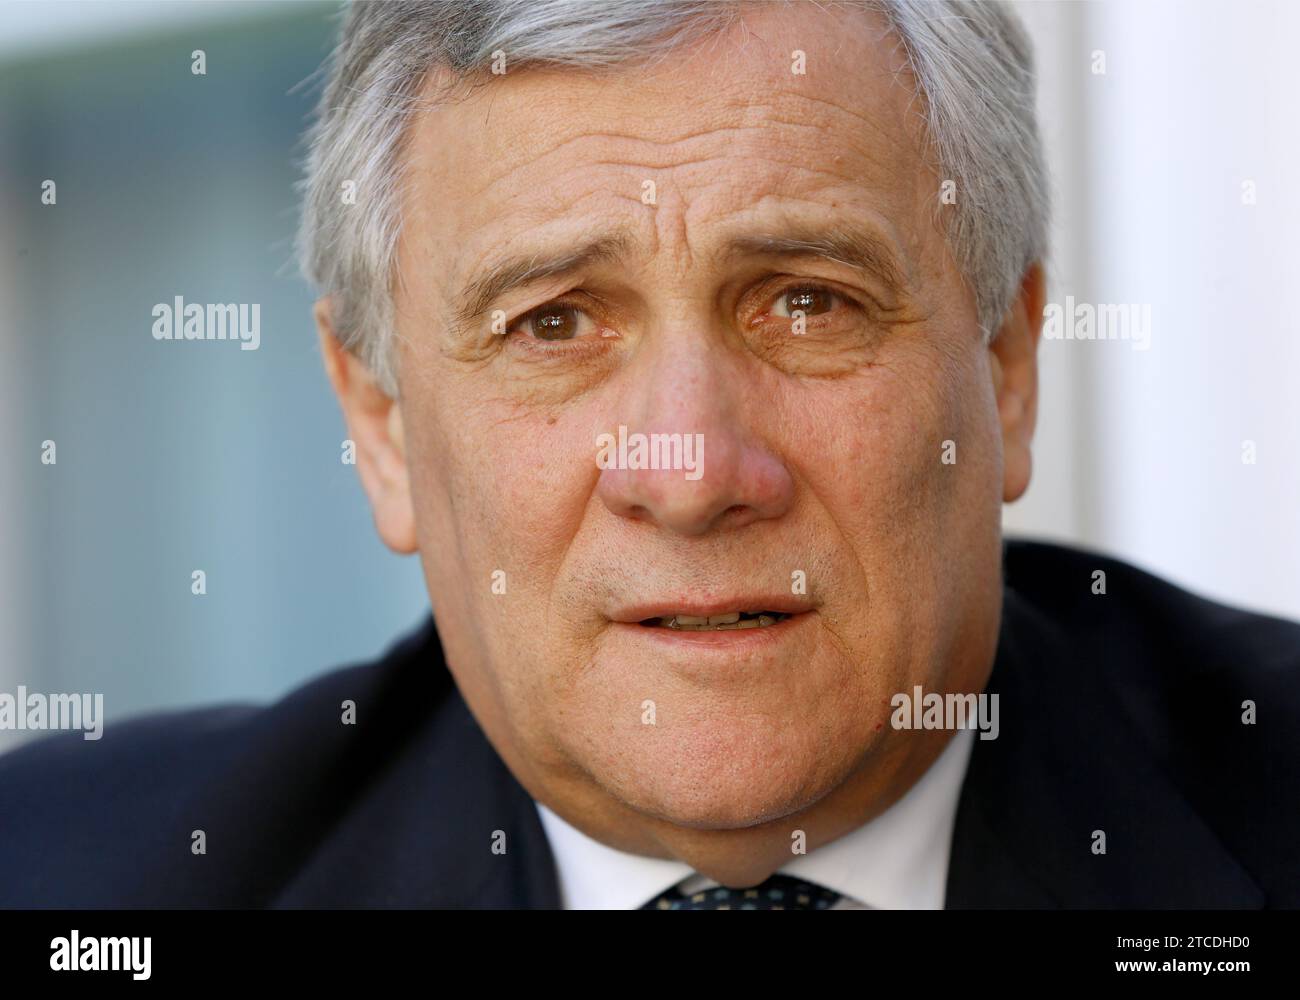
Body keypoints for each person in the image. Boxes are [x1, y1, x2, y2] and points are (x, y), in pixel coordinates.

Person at [1, 0, 1295, 909]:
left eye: (806, 301)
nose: (690, 472)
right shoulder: (62, 881)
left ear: (1006, 367)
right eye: (553, 322)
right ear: (382, 425)